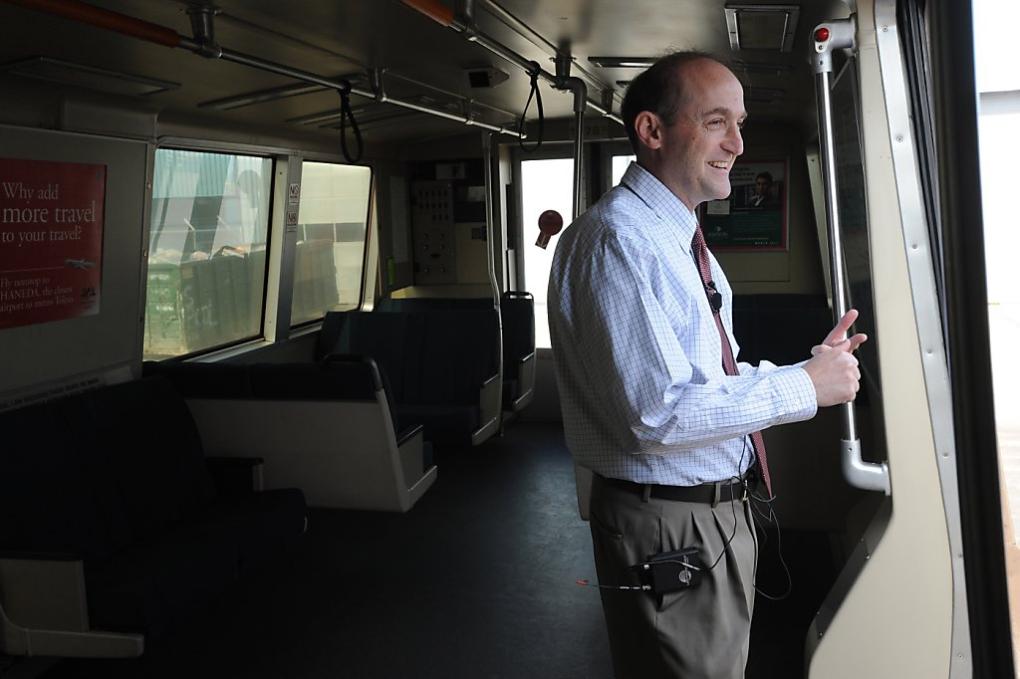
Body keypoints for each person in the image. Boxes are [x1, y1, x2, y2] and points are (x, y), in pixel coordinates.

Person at [547, 51, 866, 679]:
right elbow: (657, 415)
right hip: (671, 523)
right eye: (717, 122)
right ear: (653, 131)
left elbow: (707, 382)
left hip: (705, 513)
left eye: (740, 124)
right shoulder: (620, 241)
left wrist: (802, 370)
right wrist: (804, 387)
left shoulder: (675, 239)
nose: (739, 144)